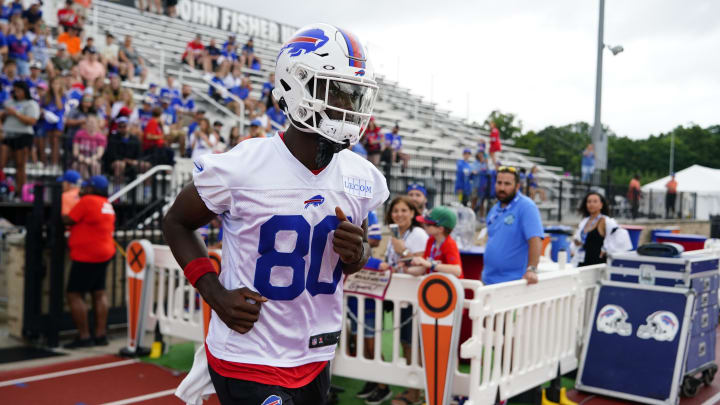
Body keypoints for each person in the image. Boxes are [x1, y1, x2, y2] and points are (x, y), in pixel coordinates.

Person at [163, 23, 386, 405]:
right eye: (335, 91)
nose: (347, 107)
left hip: (315, 354)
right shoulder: (243, 166)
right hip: (248, 354)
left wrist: (357, 253)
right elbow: (176, 222)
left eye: (354, 95)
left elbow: (352, 262)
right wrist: (214, 292)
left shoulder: (360, 176)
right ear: (295, 84)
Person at [367, 195, 428, 405]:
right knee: (406, 342)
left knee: (412, 343)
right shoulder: (395, 234)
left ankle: (415, 392)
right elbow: (398, 262)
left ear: (413, 213)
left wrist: (404, 251)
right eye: (395, 211)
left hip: (414, 297)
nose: (399, 214)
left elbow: (420, 264)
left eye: (404, 211)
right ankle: (411, 388)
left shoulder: (418, 234)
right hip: (399, 296)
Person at [62, 175, 116, 348]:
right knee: (99, 293)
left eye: (86, 187)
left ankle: (84, 336)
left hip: (87, 255)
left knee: (74, 294)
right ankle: (100, 335)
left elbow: (68, 219)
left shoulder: (88, 201)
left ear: (92, 188)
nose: (83, 190)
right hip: (105, 253)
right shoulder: (107, 204)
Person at [482, 166, 543, 285]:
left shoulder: (526, 206)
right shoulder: (494, 209)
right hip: (488, 280)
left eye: (507, 184)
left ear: (517, 186)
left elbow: (535, 239)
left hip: (513, 282)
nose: (502, 188)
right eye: (499, 183)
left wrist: (532, 269)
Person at [571, 192, 632, 266]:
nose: (591, 204)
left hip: (597, 263)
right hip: (582, 261)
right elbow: (583, 240)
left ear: (601, 205)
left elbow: (621, 237)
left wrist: (607, 249)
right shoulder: (584, 221)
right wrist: (577, 242)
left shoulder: (606, 221)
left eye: (595, 201)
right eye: (589, 201)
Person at [0, 81, 39, 195]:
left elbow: (32, 121)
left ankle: (21, 191)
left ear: (25, 91)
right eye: (15, 91)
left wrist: (15, 113)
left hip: (23, 136)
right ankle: (4, 188)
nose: (16, 93)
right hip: (7, 135)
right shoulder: (9, 102)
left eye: (19, 91)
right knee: (1, 163)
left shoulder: (31, 104)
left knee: (20, 165)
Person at [406, 206, 463, 278]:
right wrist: (406, 269)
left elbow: (457, 271)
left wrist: (430, 264)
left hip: (449, 286)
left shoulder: (450, 244)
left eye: (428, 224)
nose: (424, 225)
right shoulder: (431, 241)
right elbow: (424, 267)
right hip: (433, 284)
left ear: (440, 229)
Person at [103, 116, 148, 184]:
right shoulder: (113, 139)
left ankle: (147, 191)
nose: (122, 128)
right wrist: (125, 160)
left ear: (129, 126)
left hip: (132, 163)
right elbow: (111, 155)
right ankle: (117, 190)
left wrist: (135, 161)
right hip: (116, 164)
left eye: (124, 126)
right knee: (119, 164)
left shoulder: (135, 139)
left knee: (146, 165)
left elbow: (139, 154)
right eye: (120, 126)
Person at [470, 150, 489, 217]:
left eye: (482, 154)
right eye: (479, 154)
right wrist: (481, 169)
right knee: (474, 201)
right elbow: (474, 171)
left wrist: (485, 163)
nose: (481, 155)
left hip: (483, 186)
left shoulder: (485, 164)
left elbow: (487, 172)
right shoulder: (475, 163)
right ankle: (472, 216)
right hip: (475, 185)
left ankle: (481, 216)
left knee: (482, 202)